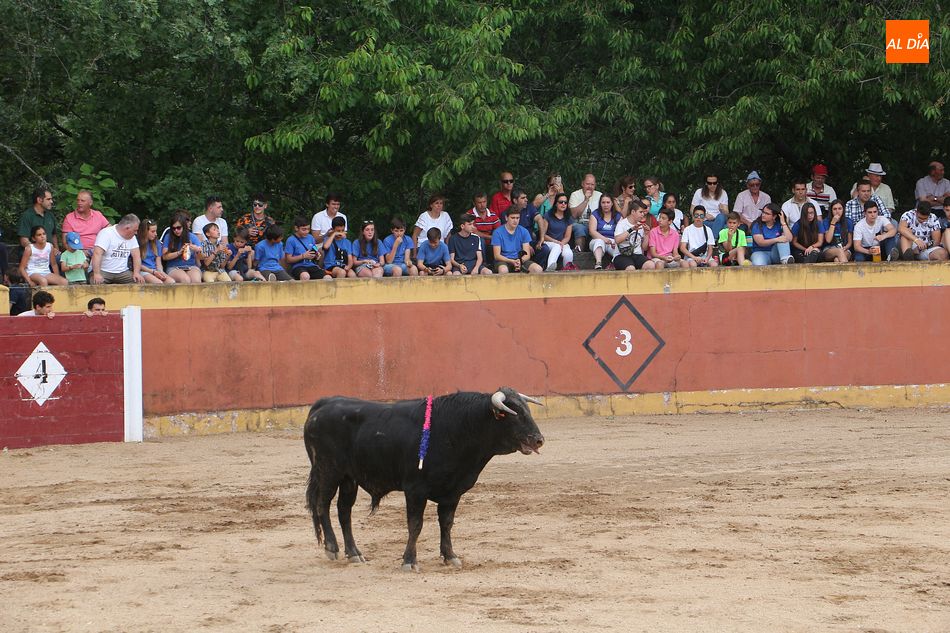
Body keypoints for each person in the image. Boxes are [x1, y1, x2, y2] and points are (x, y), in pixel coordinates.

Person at [91, 214, 144, 284]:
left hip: (122, 272)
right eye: (135, 230)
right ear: (127, 228)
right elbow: (97, 254)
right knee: (95, 284)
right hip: (103, 270)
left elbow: (136, 256)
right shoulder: (106, 233)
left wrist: (136, 273)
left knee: (139, 282)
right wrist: (97, 274)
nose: (136, 233)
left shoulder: (132, 237)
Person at [492, 208, 543, 274]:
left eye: (517, 218)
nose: (515, 220)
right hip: (504, 260)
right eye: (512, 218)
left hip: (519, 260)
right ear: (506, 218)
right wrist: (511, 261)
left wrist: (520, 261)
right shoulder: (497, 232)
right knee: (503, 270)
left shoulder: (524, 231)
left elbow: (527, 254)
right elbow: (497, 256)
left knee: (538, 269)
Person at [61, 190, 110, 254]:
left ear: (90, 203)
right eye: (78, 200)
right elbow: (65, 242)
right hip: (78, 252)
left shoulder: (98, 215)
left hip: (98, 250)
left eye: (82, 201)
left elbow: (110, 230)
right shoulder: (69, 218)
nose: (79, 203)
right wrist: (79, 254)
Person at [613, 199, 656, 270]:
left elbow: (644, 248)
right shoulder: (622, 223)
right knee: (631, 268)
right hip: (621, 256)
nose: (643, 214)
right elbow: (617, 240)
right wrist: (631, 229)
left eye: (643, 212)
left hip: (637, 255)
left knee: (650, 265)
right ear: (633, 212)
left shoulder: (641, 226)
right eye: (640, 212)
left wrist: (647, 234)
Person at [284, 216, 329, 281]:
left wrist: (317, 255)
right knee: (305, 276)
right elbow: (288, 259)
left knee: (327, 278)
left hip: (311, 265)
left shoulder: (310, 238)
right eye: (304, 229)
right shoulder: (291, 240)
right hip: (298, 267)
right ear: (296, 228)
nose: (307, 232)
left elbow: (315, 250)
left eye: (308, 229)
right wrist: (303, 256)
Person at [162, 212, 203, 283]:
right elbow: (164, 257)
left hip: (191, 266)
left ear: (184, 226)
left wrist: (197, 250)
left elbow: (202, 257)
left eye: (178, 228)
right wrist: (179, 252)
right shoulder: (168, 237)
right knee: (185, 279)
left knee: (196, 280)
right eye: (173, 228)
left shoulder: (192, 236)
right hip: (173, 267)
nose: (176, 230)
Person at [542, 193, 576, 271]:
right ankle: (549, 267)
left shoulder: (568, 218)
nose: (563, 204)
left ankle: (567, 271)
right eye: (561, 202)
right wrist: (556, 242)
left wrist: (561, 243)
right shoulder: (548, 215)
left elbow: (567, 237)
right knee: (556, 247)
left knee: (568, 253)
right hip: (548, 242)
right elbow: (543, 235)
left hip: (562, 243)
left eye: (565, 202)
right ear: (556, 203)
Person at [569, 174, 602, 251]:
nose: (590, 187)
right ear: (582, 184)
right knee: (579, 228)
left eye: (592, 184)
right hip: (579, 223)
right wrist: (586, 199)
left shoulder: (600, 195)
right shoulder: (575, 195)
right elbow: (574, 215)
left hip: (595, 224)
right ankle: (579, 254)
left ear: (595, 185)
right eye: (587, 184)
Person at [588, 194, 622, 270]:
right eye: (603, 202)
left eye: (608, 202)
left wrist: (615, 241)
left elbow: (620, 233)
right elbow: (592, 231)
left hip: (613, 240)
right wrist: (604, 239)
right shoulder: (595, 214)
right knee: (599, 242)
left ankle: (614, 264)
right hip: (597, 239)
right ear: (600, 204)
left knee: (618, 247)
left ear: (612, 203)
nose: (605, 205)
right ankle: (598, 263)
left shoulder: (618, 216)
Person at [137, 219, 174, 284]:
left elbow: (158, 262)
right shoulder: (137, 243)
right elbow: (138, 265)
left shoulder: (156, 243)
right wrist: (153, 272)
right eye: (153, 231)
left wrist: (161, 272)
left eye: (156, 231)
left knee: (171, 282)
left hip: (155, 270)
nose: (156, 234)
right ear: (145, 231)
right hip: (143, 270)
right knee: (158, 283)